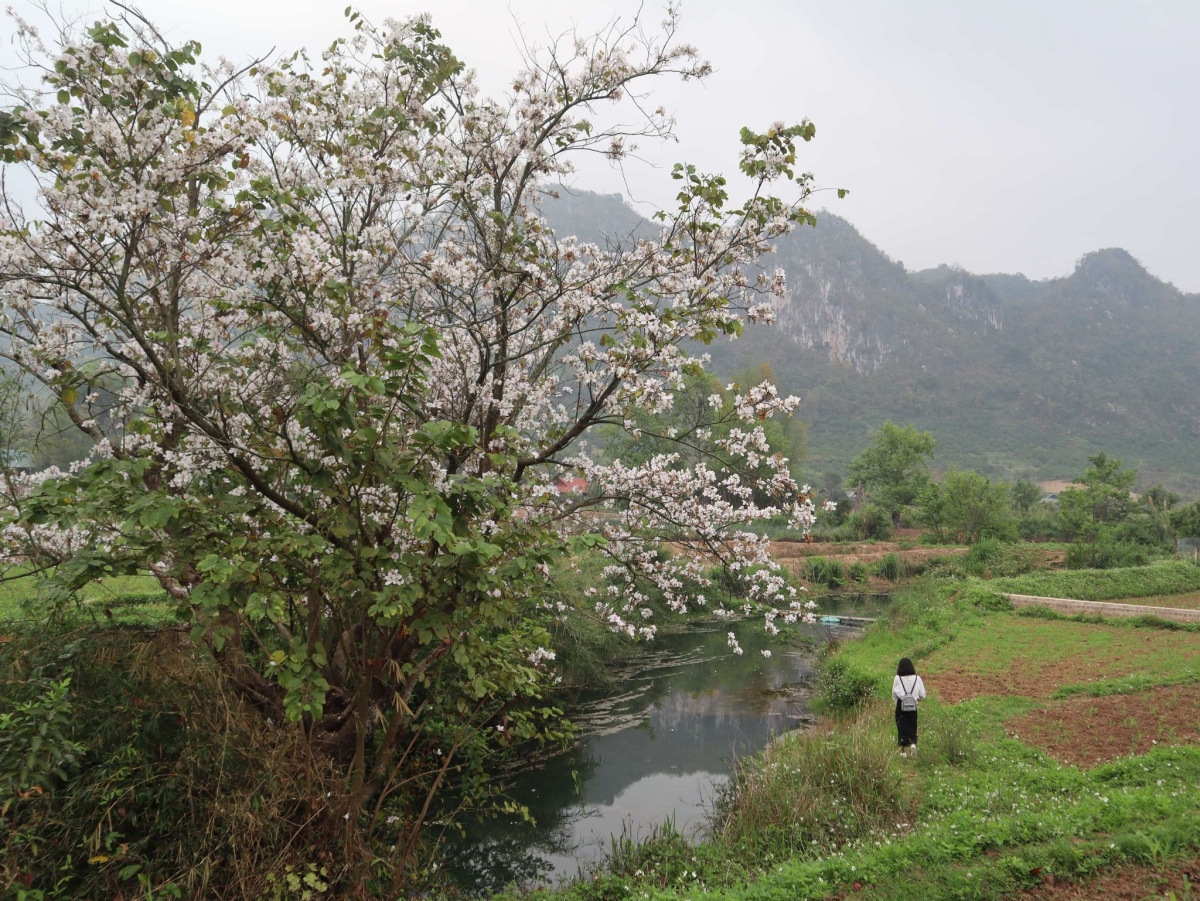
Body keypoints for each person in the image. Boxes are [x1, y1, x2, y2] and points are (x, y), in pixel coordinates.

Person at [892, 657, 926, 755]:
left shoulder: (897, 678)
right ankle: (913, 744)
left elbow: (893, 694)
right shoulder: (917, 678)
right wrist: (917, 699)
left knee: (901, 727)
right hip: (913, 705)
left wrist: (897, 704)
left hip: (900, 705)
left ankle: (903, 752)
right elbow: (923, 694)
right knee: (912, 726)